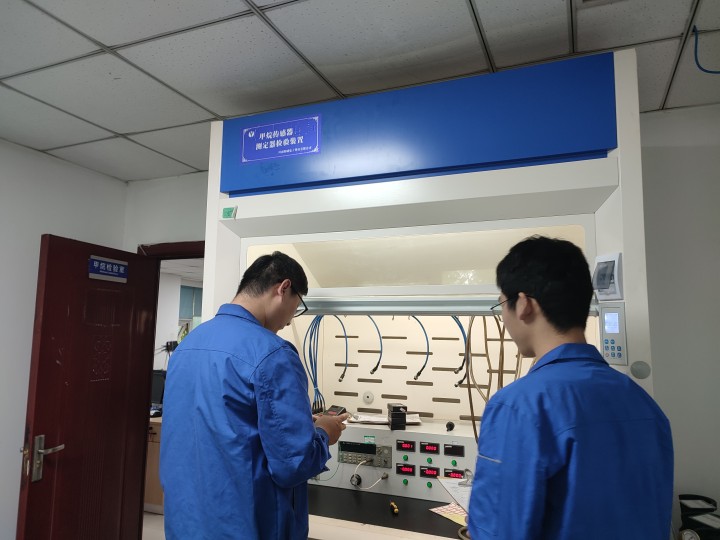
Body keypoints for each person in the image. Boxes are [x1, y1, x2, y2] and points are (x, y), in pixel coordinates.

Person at [467, 236, 673, 539]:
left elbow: (499, 531)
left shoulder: (519, 406)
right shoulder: (643, 403)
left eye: (502, 304)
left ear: (523, 304)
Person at [160, 251, 349, 539]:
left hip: (186, 523)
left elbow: (220, 428)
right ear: (283, 288)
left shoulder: (188, 345)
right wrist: (324, 432)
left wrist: (297, 425)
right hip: (247, 526)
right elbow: (293, 464)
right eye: (297, 306)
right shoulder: (273, 353)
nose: (289, 321)